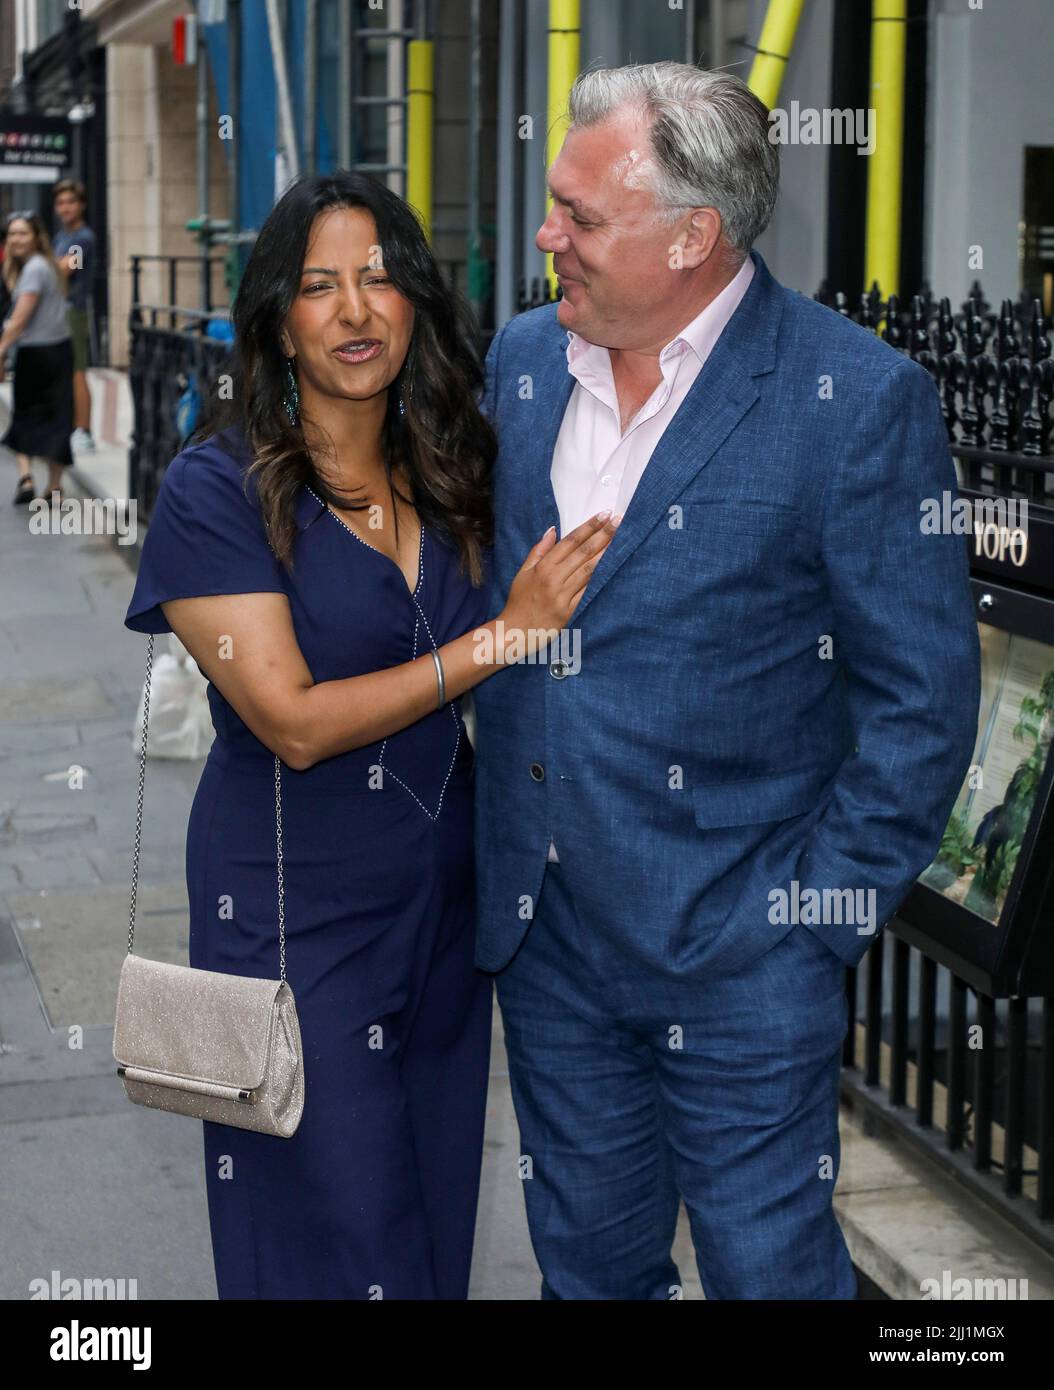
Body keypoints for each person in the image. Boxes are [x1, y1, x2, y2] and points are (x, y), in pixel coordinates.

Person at [472, 62, 982, 1300]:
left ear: (692, 235)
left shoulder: (855, 402)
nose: (548, 237)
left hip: (744, 955)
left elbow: (920, 704)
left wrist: (806, 928)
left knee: (771, 1276)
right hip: (549, 949)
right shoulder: (525, 364)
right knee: (589, 1274)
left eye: (580, 217)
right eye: (553, 206)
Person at [122, 169, 617, 1299]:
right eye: (319, 287)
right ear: (278, 321)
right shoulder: (219, 490)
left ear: (415, 307)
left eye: (380, 281)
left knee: (433, 1226)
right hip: (294, 911)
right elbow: (292, 721)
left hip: (444, 906)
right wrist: (502, 639)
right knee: (346, 1236)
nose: (354, 311)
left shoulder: (451, 468)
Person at [1, 212, 75, 506]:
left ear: (36, 237)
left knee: (27, 415)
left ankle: (27, 477)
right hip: (58, 350)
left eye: (22, 233)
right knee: (56, 417)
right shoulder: (45, 265)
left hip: (37, 353)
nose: (16, 239)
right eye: (11, 234)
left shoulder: (32, 269)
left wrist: (2, 348)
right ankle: (53, 485)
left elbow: (20, 317)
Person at [52, 179, 98, 451]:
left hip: (75, 311)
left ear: (81, 205)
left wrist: (50, 266)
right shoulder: (61, 237)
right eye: (60, 203)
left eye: (70, 202)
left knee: (77, 372)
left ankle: (84, 431)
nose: (65, 208)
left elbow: (65, 269)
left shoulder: (82, 238)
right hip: (60, 311)